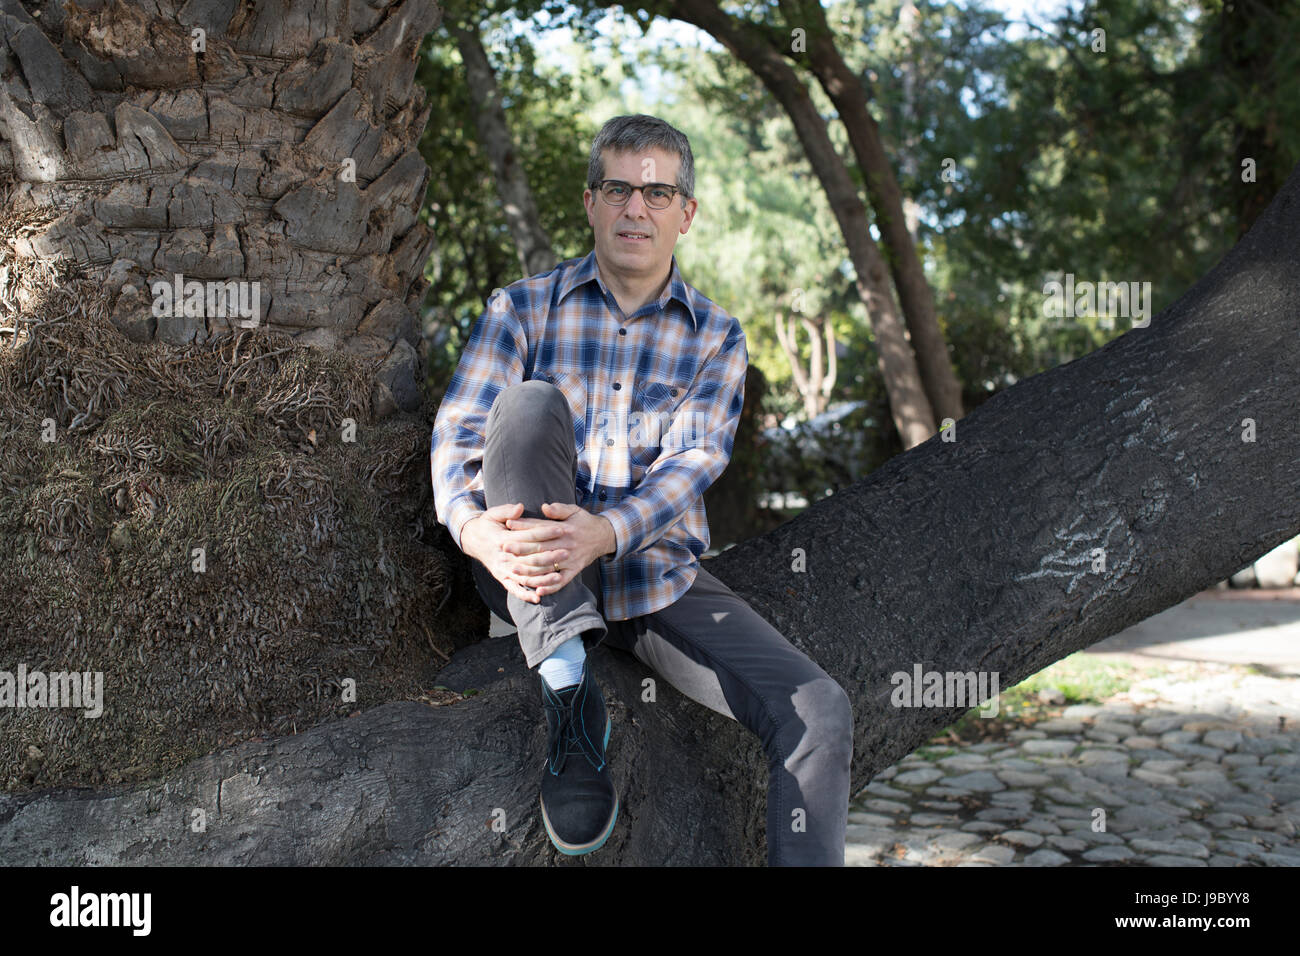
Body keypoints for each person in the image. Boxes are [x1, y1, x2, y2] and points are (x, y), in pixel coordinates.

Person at [430, 114, 853, 865]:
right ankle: (571, 701)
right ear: (590, 202)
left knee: (819, 709)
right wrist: (470, 529)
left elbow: (695, 460)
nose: (636, 208)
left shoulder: (716, 336)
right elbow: (460, 433)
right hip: (532, 572)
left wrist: (606, 531)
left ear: (685, 215)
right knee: (528, 405)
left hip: (654, 575)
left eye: (657, 193)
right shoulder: (520, 308)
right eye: (619, 188)